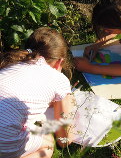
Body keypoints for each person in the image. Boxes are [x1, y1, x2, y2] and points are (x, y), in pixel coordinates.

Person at [0, 27, 75, 158]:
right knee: (48, 146)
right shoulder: (58, 79)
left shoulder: (11, 63)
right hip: (3, 141)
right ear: (60, 62)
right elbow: (65, 140)